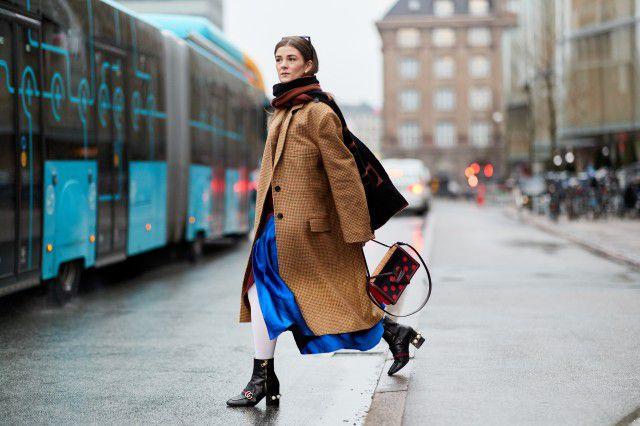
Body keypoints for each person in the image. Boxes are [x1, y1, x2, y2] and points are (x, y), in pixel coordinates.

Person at [226, 36, 425, 408]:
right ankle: (263, 376)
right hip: (275, 229)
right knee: (261, 294)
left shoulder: (319, 113)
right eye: (279, 59)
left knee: (332, 298)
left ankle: (393, 333)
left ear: (308, 65)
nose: (283, 65)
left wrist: (358, 229)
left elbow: (344, 174)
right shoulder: (281, 111)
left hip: (310, 230)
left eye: (291, 59)